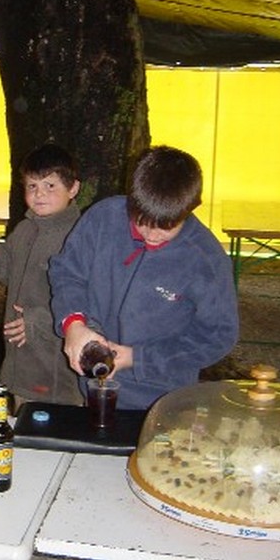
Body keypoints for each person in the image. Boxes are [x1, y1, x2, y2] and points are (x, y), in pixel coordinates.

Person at [49, 145, 239, 411]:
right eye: (142, 222)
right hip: (92, 387)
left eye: (166, 227)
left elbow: (218, 335)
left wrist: (138, 358)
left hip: (162, 397)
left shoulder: (205, 259)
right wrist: (73, 324)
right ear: (131, 200)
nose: (151, 235)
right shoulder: (103, 219)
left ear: (189, 210)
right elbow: (67, 272)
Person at [0, 142, 83, 408]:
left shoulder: (78, 237)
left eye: (50, 185)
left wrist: (38, 320)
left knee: (53, 423)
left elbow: (90, 300)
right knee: (22, 415)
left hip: (54, 362)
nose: (39, 194)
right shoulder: (25, 229)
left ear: (73, 188)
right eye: (32, 186)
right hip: (19, 358)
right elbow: (8, 272)